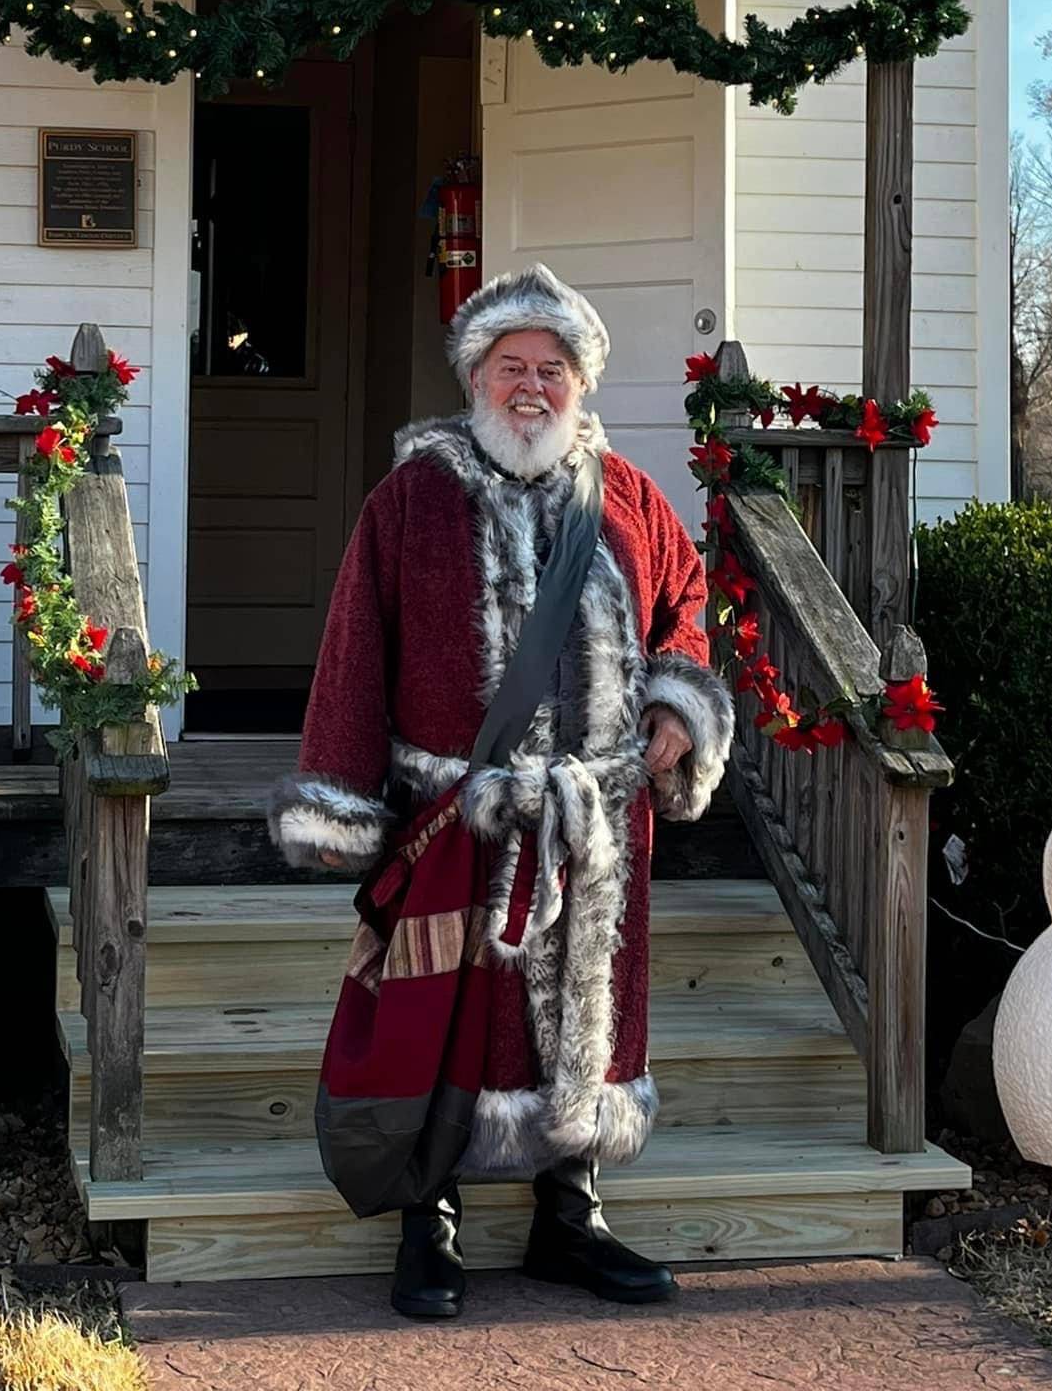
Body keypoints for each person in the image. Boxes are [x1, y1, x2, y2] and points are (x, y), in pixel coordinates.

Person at [270, 264, 732, 1318]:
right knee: (449, 1022)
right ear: (477, 376)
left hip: (595, 824)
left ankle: (571, 1217)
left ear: (581, 382)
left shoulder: (631, 497)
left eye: (553, 368)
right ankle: (427, 1221)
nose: (533, 385)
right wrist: (343, 799)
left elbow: (686, 602)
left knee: (588, 1023)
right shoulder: (411, 501)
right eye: (512, 365)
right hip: (460, 816)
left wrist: (676, 702)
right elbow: (353, 649)